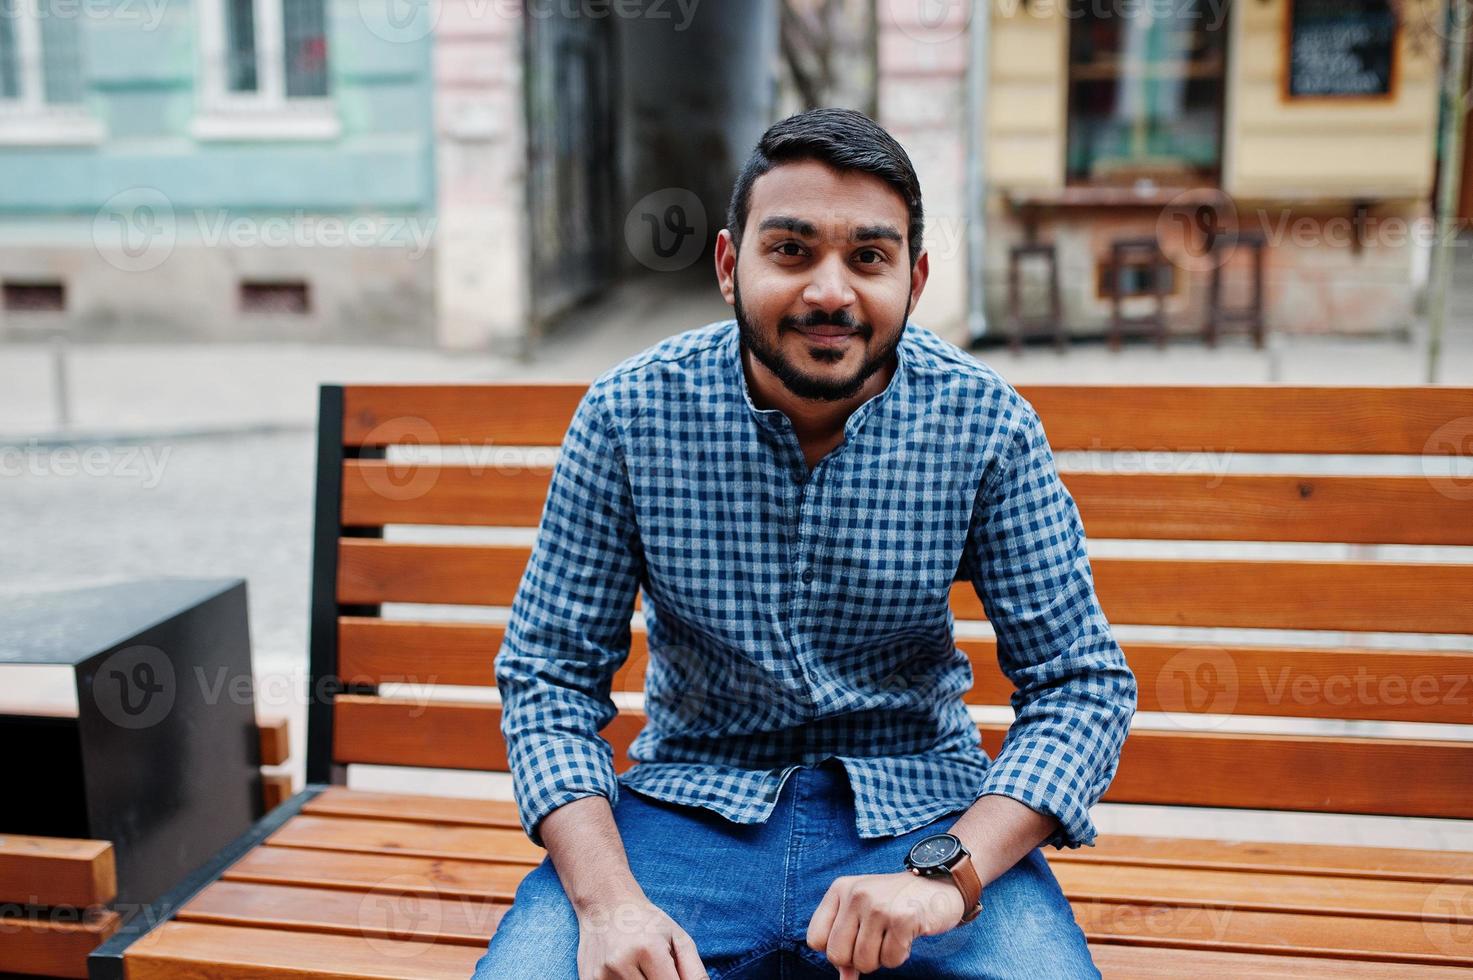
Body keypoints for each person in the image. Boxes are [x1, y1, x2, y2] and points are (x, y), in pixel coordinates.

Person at [474, 107, 1137, 980]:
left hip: (921, 817)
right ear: (727, 264)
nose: (830, 292)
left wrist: (947, 874)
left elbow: (1079, 684)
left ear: (915, 277)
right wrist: (608, 903)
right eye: (790, 250)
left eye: (869, 257)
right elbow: (549, 676)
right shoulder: (630, 415)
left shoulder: (984, 424)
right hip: (682, 811)